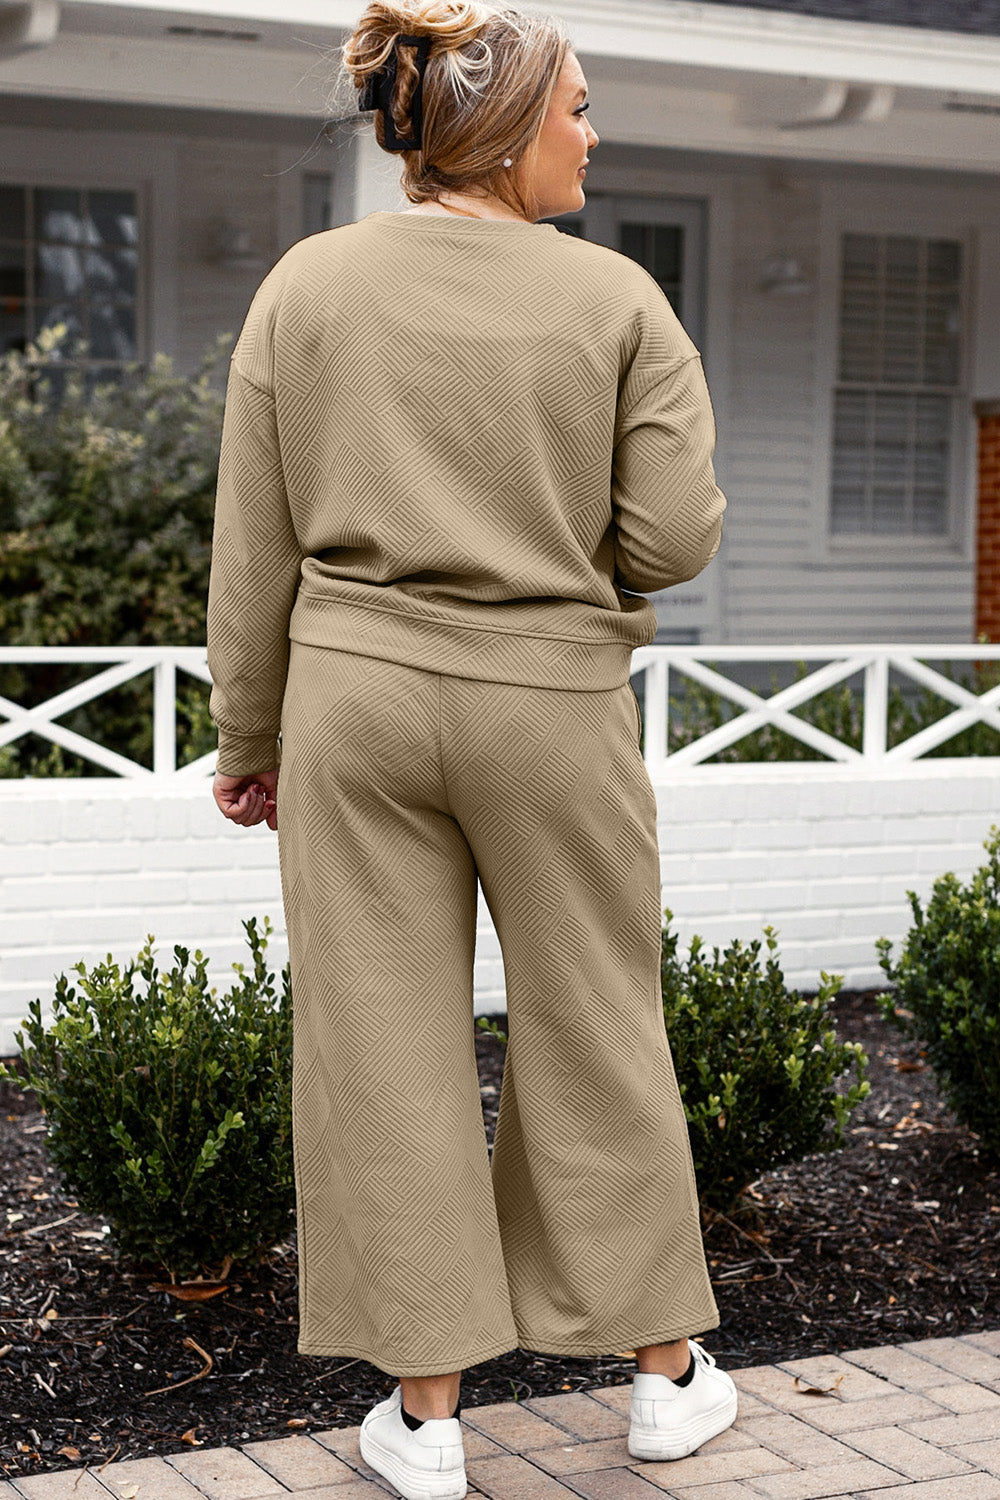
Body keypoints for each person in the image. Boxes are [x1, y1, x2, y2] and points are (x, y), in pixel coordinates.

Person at [206, 2, 736, 1496]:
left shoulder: (308, 285)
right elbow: (673, 539)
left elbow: (253, 543)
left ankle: (428, 1423)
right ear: (506, 132)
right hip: (551, 706)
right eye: (579, 106)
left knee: (383, 1046)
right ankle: (665, 1379)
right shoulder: (620, 302)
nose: (593, 129)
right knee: (596, 1020)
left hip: (355, 701)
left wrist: (254, 734)